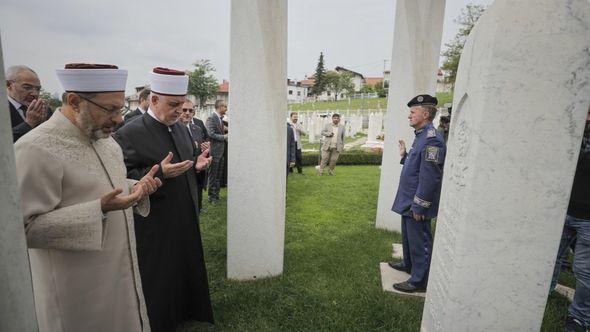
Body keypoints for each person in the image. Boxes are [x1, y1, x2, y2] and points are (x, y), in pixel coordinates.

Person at [14, 63, 163, 331]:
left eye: (120, 108)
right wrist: (99, 210)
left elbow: (102, 187)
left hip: (120, 277)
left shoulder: (108, 142)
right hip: (75, 296)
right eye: (111, 109)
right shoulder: (34, 148)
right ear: (74, 102)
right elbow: (22, 229)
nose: (119, 118)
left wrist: (135, 186)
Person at [113, 67, 214, 331]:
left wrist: (197, 164)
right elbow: (121, 177)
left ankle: (185, 311)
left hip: (185, 214)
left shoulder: (181, 129)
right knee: (161, 272)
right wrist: (157, 172)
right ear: (154, 100)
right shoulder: (129, 133)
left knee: (184, 264)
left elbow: (184, 164)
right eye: (174, 105)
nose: (181, 111)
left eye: (182, 105)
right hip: (155, 219)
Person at [389, 94, 446, 293]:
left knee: (419, 239)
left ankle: (419, 280)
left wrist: (421, 205)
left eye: (413, 112)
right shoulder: (421, 136)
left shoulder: (433, 140)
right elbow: (417, 166)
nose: (409, 116)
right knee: (408, 236)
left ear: (426, 113)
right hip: (408, 199)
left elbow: (430, 177)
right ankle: (409, 265)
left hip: (416, 201)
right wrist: (405, 155)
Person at [550, 105, 590, 332]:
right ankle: (543, 293)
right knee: (551, 258)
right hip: (565, 209)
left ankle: (579, 318)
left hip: (588, 218)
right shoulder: (577, 134)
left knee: (584, 270)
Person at [6, 65, 53, 142]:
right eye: (27, 88)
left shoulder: (45, 111)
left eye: (38, 89)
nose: (34, 93)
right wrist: (29, 123)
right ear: (9, 85)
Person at [180, 99, 210, 212]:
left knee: (196, 206)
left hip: (198, 174)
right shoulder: (172, 130)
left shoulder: (197, 129)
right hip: (183, 175)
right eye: (184, 110)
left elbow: (201, 147)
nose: (187, 113)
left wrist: (206, 149)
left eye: (190, 110)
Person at [205, 99, 228, 203]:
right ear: (220, 107)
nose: (226, 109)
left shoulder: (220, 119)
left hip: (221, 152)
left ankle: (216, 195)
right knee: (213, 175)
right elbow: (211, 134)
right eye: (225, 107)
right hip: (214, 152)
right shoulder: (211, 118)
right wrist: (224, 136)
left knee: (218, 175)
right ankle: (211, 197)